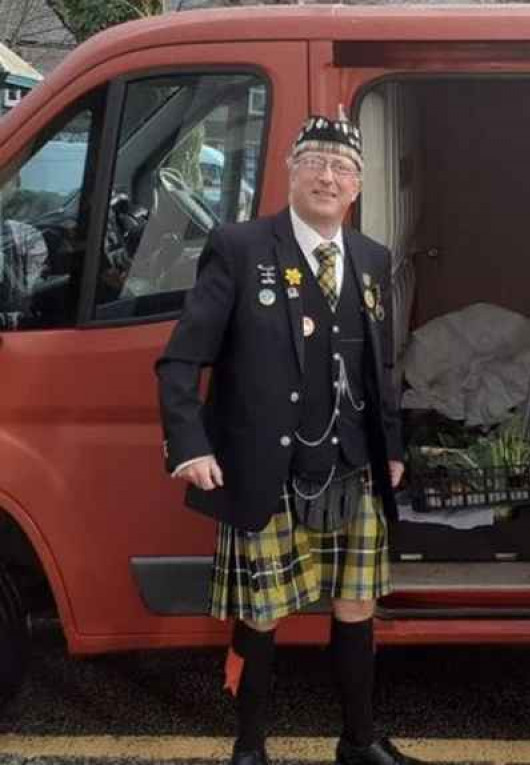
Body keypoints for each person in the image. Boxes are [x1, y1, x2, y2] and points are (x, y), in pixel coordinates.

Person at [156, 113, 425, 765]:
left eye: (341, 167)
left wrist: (391, 447)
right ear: (290, 172)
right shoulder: (242, 246)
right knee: (261, 613)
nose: (327, 176)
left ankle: (358, 741)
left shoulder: (371, 257)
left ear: (357, 183)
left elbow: (380, 366)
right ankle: (249, 748)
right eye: (315, 162)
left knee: (357, 602)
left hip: (352, 465)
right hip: (266, 467)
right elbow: (181, 359)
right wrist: (189, 444)